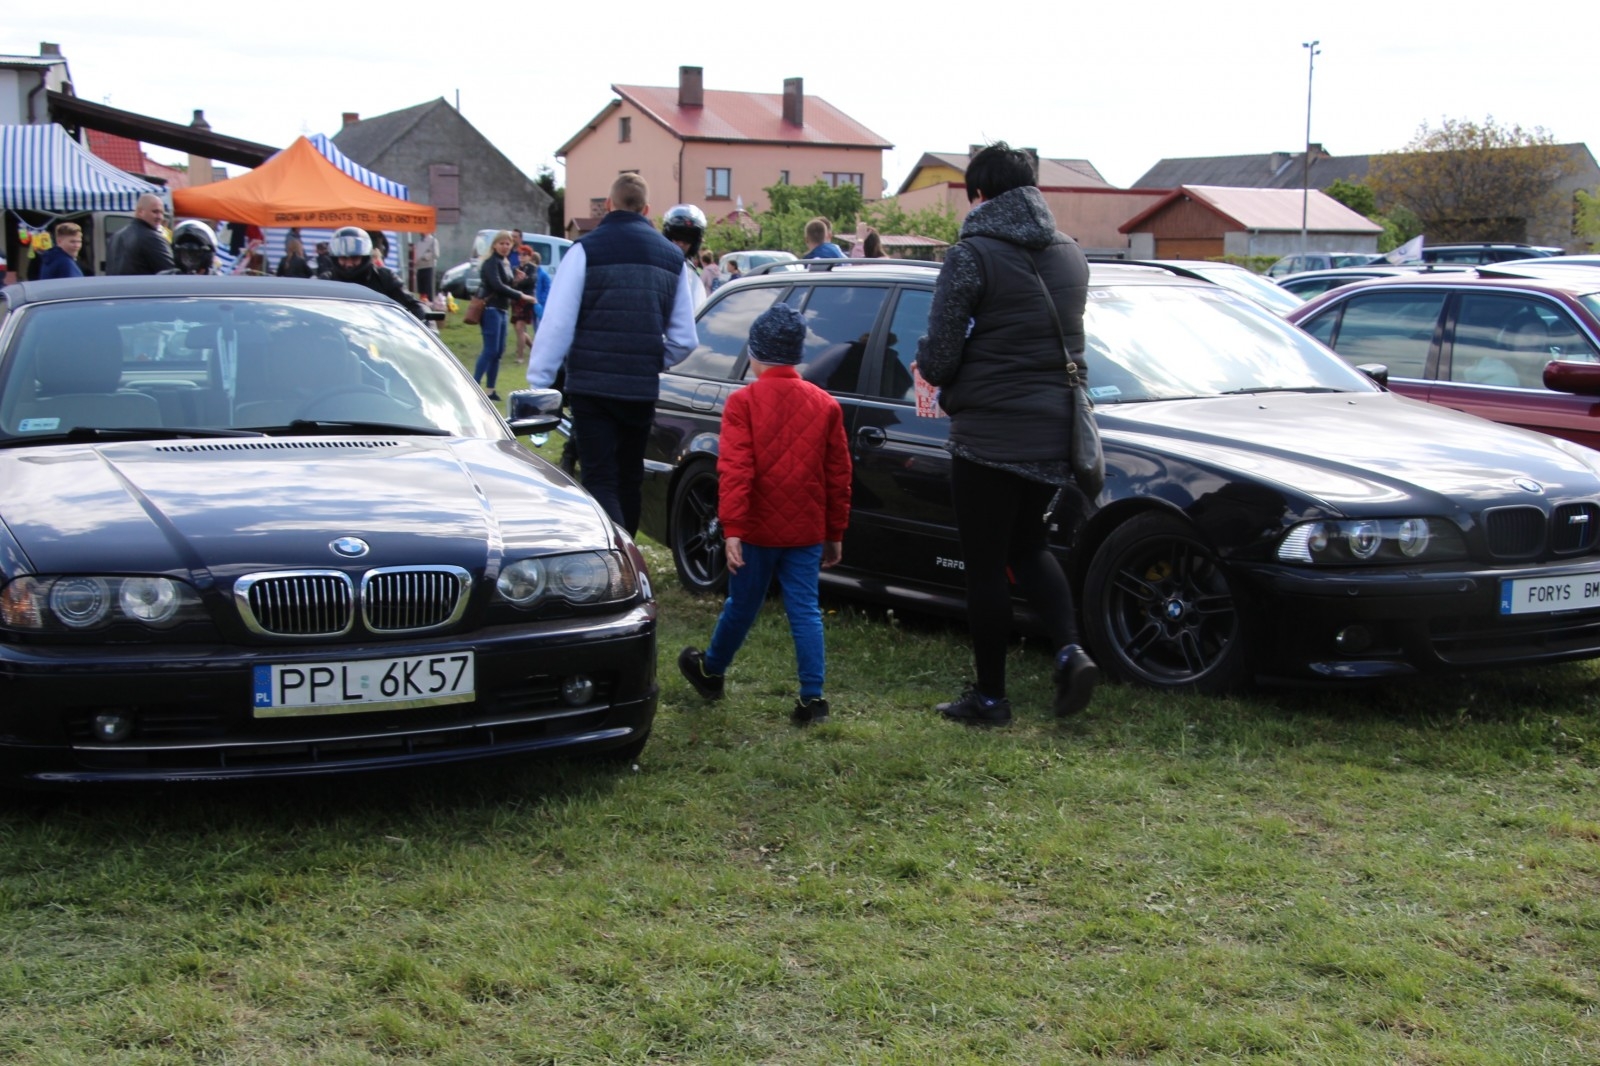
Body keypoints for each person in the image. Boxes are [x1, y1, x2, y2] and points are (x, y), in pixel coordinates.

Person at [914, 141, 1100, 726]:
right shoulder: (1072, 253)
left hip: (990, 434)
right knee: (1030, 546)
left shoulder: (972, 254)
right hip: (1057, 429)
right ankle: (1070, 650)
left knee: (986, 565)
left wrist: (928, 356)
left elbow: (940, 359)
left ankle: (990, 697)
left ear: (978, 194)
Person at [678, 302, 851, 725]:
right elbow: (838, 476)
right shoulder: (825, 404)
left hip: (755, 529)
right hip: (806, 530)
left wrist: (732, 528)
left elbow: (735, 469)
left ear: (754, 354)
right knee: (806, 610)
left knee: (742, 605)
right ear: (798, 356)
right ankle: (812, 699)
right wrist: (835, 531)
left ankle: (712, 670)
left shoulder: (743, 403)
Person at [525, 172, 699, 535]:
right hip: (640, 388)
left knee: (600, 477)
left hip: (592, 384)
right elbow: (685, 340)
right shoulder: (672, 259)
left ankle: (621, 559)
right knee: (629, 476)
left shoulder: (585, 249)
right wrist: (651, 358)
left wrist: (539, 382)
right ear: (647, 209)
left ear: (608, 204)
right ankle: (628, 555)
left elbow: (557, 324)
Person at [475, 231, 536, 398]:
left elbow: (507, 286)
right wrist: (521, 295)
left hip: (502, 309)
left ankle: (490, 390)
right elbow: (497, 286)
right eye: (501, 243)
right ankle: (474, 385)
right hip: (491, 309)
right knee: (490, 350)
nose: (505, 247)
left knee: (498, 351)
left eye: (508, 244)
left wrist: (517, 281)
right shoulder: (491, 262)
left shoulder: (505, 262)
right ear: (494, 245)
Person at [323, 225, 428, 320]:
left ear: (364, 257)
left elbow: (415, 306)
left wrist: (428, 326)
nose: (349, 264)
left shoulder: (385, 277)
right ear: (335, 258)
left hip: (379, 334)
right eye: (344, 258)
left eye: (354, 258)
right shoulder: (325, 281)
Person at [107, 193, 175, 275]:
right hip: (143, 287)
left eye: (162, 213)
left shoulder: (115, 237)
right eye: (155, 211)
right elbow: (172, 274)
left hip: (115, 287)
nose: (160, 217)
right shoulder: (152, 238)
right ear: (140, 212)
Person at [661, 204, 709, 310]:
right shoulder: (660, 267)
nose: (681, 244)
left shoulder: (690, 268)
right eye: (677, 238)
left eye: (688, 239)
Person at [510, 244, 539, 364]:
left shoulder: (532, 267)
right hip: (516, 300)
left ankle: (520, 356)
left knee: (520, 327)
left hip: (527, 300)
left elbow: (531, 281)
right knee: (518, 329)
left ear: (529, 256)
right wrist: (517, 282)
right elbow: (510, 283)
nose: (521, 256)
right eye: (520, 254)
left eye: (524, 254)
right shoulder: (516, 268)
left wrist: (519, 282)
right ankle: (534, 348)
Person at [414, 230, 439, 299]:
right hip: (419, 268)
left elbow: (436, 254)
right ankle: (422, 302)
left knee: (428, 289)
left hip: (429, 267)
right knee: (421, 289)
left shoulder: (433, 241)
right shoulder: (419, 242)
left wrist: (426, 256)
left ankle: (429, 303)